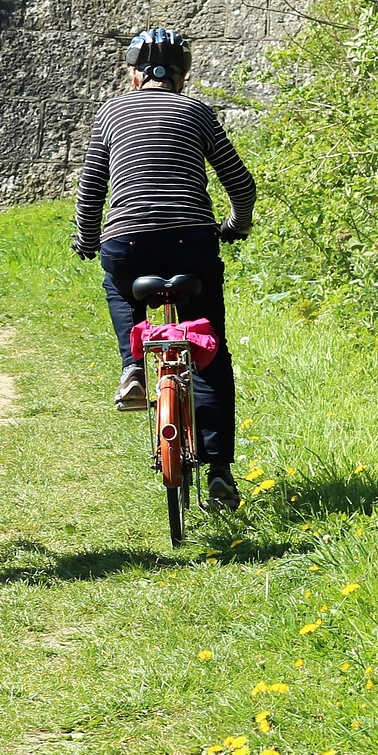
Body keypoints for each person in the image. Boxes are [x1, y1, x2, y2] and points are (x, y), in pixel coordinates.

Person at [71, 28, 256, 511]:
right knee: (211, 350)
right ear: (183, 74)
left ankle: (132, 367)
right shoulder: (196, 112)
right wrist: (235, 225)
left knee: (119, 285)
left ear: (133, 72)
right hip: (192, 242)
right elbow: (240, 182)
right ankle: (219, 469)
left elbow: (91, 190)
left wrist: (87, 240)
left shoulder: (111, 112)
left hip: (127, 241)